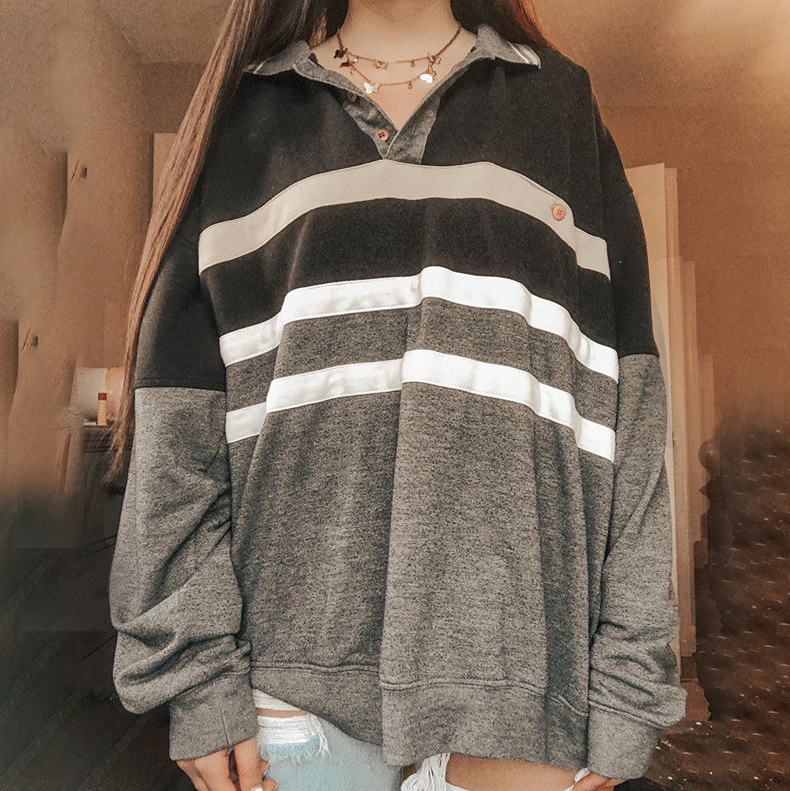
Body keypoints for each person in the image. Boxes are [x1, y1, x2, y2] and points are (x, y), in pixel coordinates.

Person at [107, 1, 688, 790]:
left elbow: (633, 420)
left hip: (520, 699)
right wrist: (195, 678)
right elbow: (180, 435)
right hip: (290, 703)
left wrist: (629, 687)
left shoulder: (558, 105)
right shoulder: (245, 119)